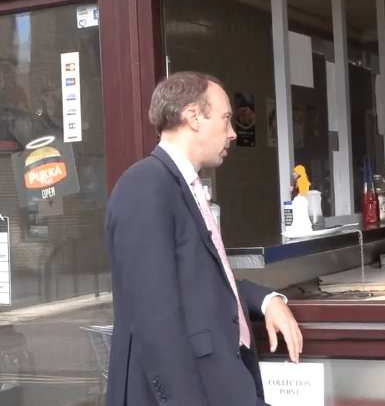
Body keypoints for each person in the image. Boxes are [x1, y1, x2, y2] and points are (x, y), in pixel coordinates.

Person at [105, 72, 303, 406]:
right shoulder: (144, 186)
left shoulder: (183, 186)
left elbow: (201, 281)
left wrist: (266, 300)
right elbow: (156, 322)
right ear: (193, 117)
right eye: (225, 119)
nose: (232, 132)